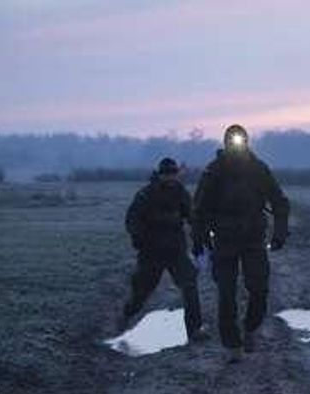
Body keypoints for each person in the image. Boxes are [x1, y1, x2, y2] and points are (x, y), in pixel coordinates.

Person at [193, 125, 290, 363]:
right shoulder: (214, 171)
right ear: (225, 143)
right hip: (224, 240)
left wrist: (280, 232)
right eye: (232, 141)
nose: (236, 146)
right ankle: (232, 345)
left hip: (253, 239)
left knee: (259, 289)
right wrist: (199, 240)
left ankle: (250, 329)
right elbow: (199, 208)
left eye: (240, 141)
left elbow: (279, 201)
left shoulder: (258, 169)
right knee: (226, 294)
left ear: (246, 142)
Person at [121, 157, 207, 342]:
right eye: (166, 174)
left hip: (176, 250)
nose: (169, 178)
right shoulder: (146, 194)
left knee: (189, 286)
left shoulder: (180, 193)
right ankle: (127, 314)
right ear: (159, 174)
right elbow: (132, 219)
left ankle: (194, 330)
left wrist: (200, 236)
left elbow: (193, 216)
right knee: (141, 293)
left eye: (172, 174)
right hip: (151, 251)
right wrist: (138, 238)